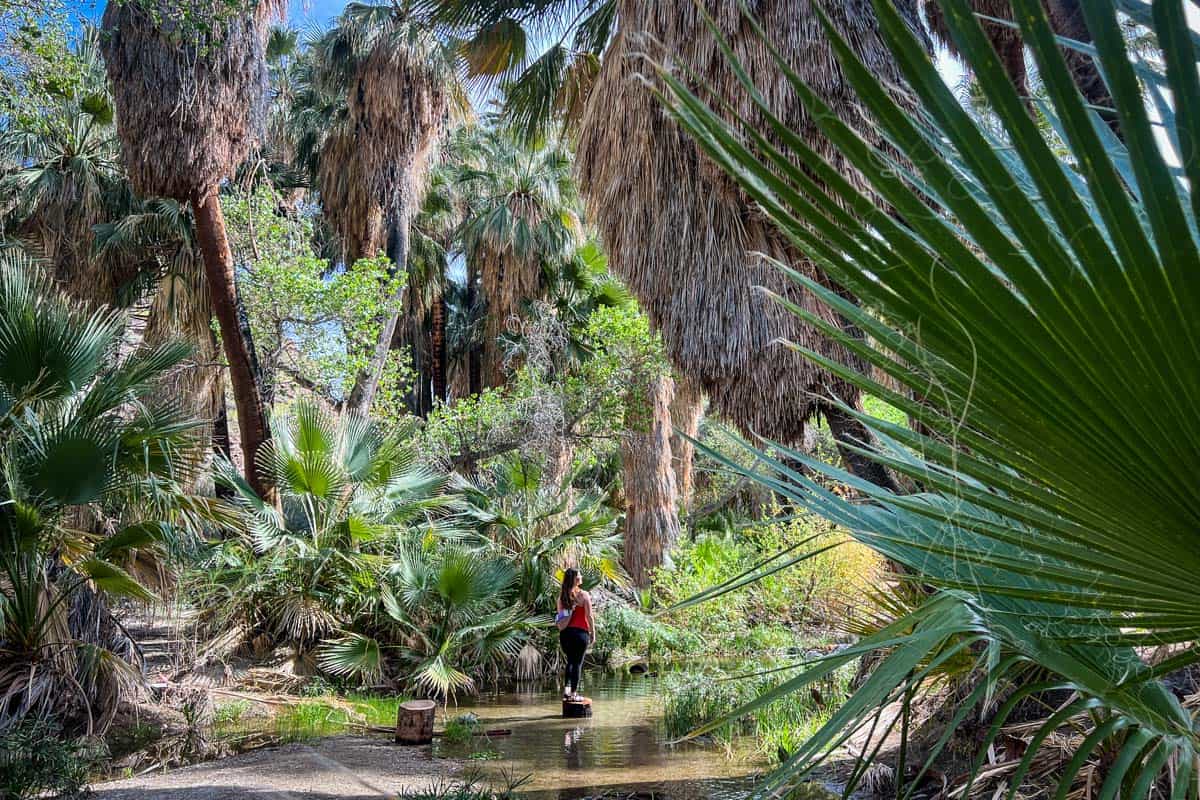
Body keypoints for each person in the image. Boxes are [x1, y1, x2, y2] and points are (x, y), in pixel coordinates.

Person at [555, 568, 594, 701]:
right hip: (581, 634)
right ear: (575, 579)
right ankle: (573, 694)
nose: (581, 576)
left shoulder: (562, 597)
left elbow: (560, 617)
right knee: (577, 664)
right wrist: (592, 633)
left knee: (569, 662)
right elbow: (589, 616)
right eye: (579, 575)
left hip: (566, 635)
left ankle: (566, 692)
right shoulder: (584, 595)